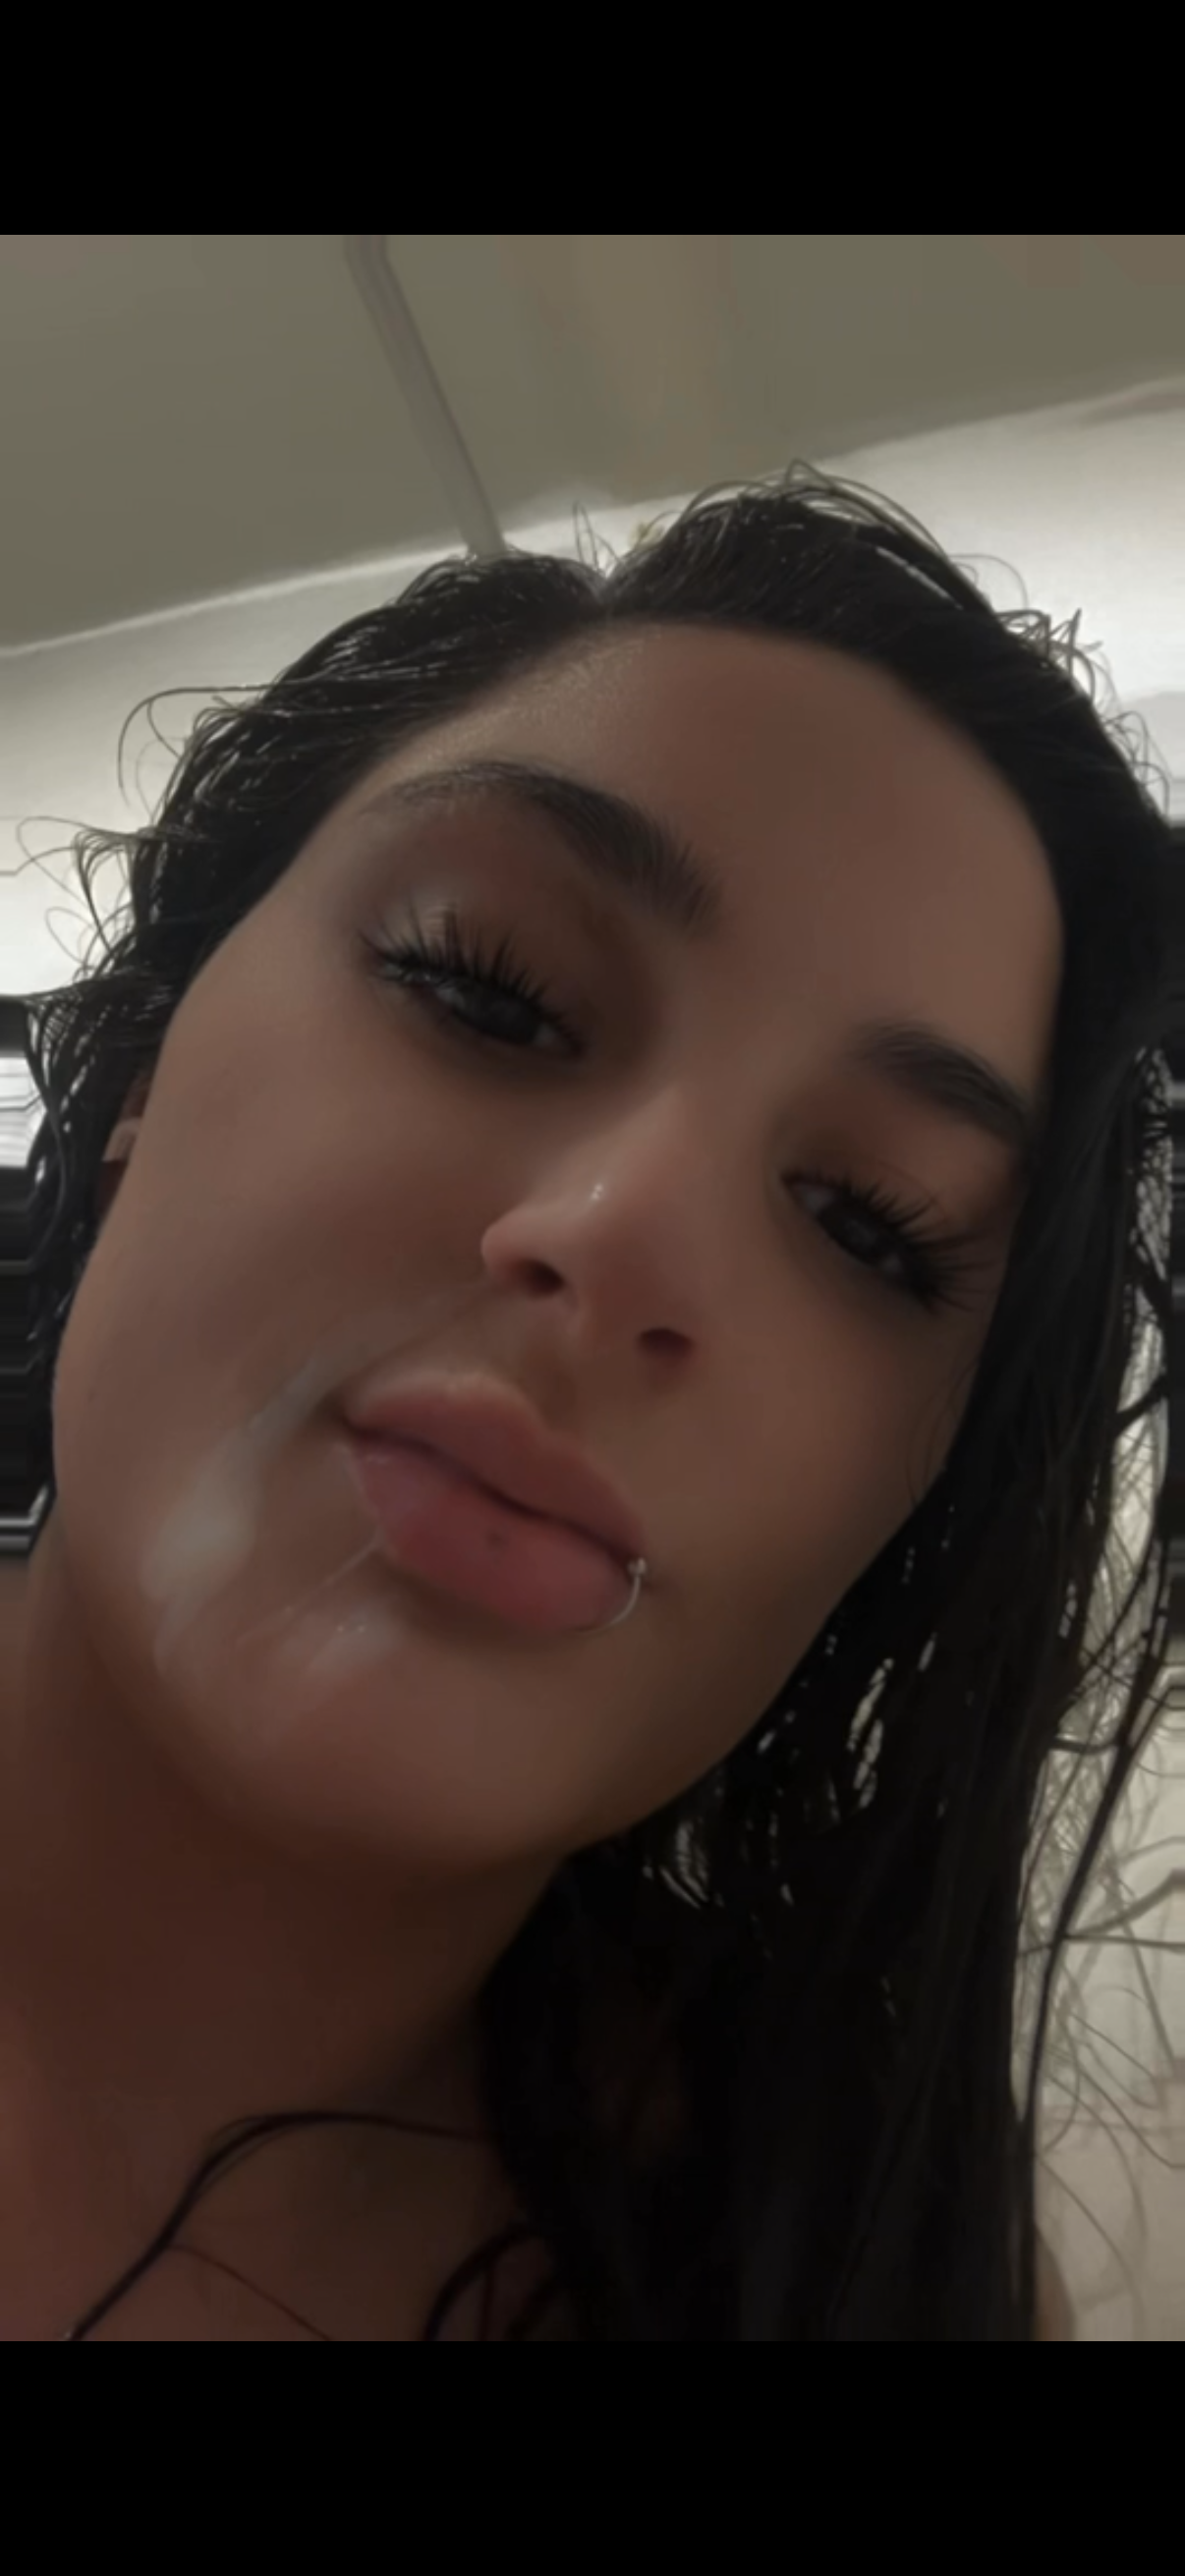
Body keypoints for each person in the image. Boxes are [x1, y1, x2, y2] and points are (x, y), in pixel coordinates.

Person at [0, 472, 1173, 2342]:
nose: (633, 1239)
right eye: (489, 991)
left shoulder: (869, 2281)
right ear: (142, 1058)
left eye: (866, 1223)